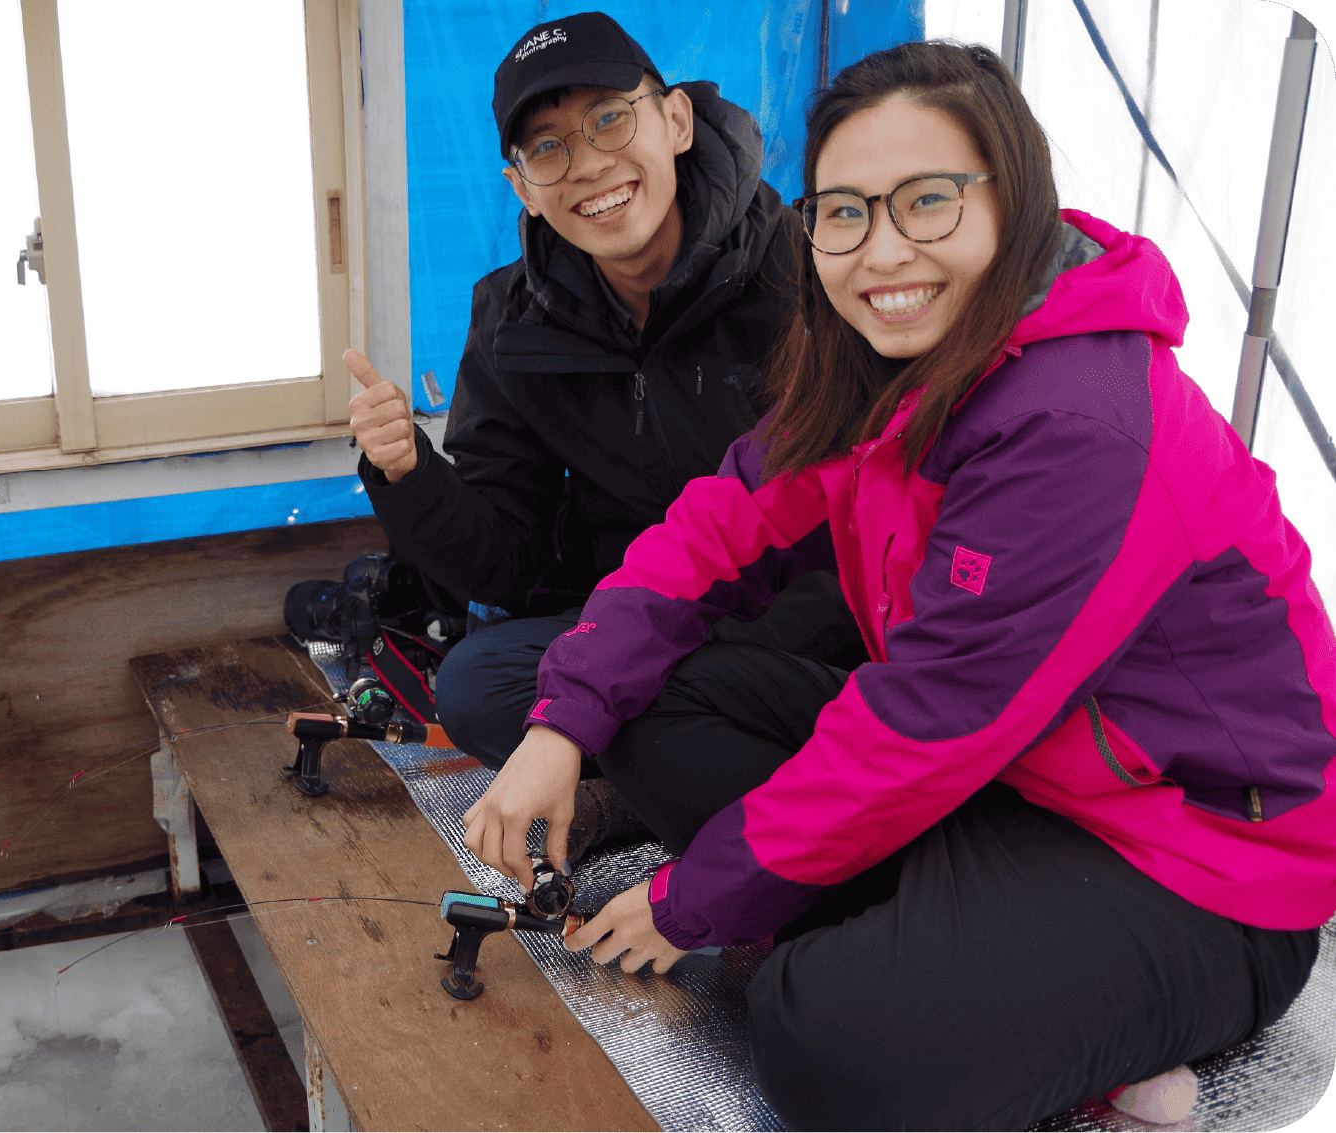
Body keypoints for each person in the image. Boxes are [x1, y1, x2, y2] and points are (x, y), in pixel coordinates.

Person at [464, 39, 1333, 1132]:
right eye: (844, 212)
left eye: (926, 200)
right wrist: (561, 722)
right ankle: (977, 972)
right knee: (644, 711)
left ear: (1013, 198)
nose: (881, 251)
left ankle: (1096, 1019)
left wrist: (692, 901)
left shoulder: (1079, 419)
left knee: (821, 1034)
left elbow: (928, 721)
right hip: (1011, 786)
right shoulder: (878, 362)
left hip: (1195, 858)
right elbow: (712, 528)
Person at [345, 12, 866, 819]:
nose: (587, 164)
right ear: (521, 186)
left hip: (817, 628)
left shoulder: (806, 267)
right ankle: (674, 766)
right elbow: (505, 562)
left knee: (677, 699)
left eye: (609, 118)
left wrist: (711, 654)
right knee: (478, 684)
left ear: (676, 121)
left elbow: (884, 499)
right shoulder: (513, 320)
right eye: (548, 147)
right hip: (639, 620)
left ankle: (646, 781)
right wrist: (407, 474)